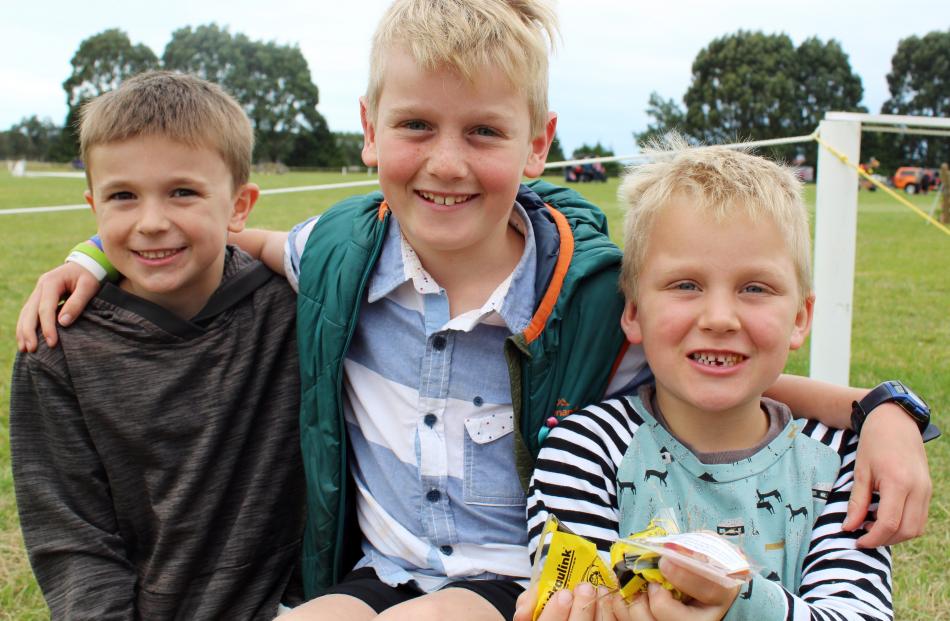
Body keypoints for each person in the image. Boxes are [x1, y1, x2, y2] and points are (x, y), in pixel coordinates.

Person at [13, 1, 933, 619]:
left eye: (484, 132)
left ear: (538, 143)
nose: (446, 163)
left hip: (514, 581)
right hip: (373, 569)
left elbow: (725, 363)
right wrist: (92, 251)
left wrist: (881, 409)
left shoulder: (591, 293)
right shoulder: (334, 257)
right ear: (370, 129)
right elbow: (230, 236)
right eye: (416, 127)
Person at [516, 139, 893, 621]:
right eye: (685, 285)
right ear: (632, 311)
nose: (719, 318)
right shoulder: (585, 449)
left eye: (755, 288)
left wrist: (740, 603)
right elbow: (576, 596)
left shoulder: (844, 461)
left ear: (800, 317)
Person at [10, 71, 306, 620]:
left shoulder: (295, 310)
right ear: (93, 205)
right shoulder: (58, 347)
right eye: (123, 196)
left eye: (183, 192)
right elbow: (72, 538)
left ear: (240, 205)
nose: (151, 222)